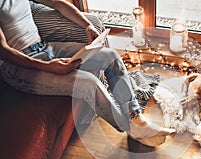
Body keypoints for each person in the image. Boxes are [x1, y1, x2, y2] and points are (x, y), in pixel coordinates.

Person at [0, 0, 176, 146]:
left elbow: (57, 3)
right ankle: (132, 129)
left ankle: (136, 118)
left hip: (44, 47)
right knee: (88, 84)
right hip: (19, 69)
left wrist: (87, 25)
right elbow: (3, 51)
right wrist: (48, 67)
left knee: (111, 56)